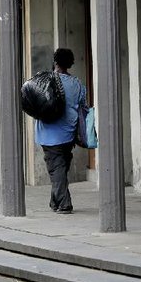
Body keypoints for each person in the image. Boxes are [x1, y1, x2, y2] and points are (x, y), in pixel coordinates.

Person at [35, 48, 87, 214]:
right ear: (70, 63)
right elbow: (83, 107)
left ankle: (64, 204)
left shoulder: (44, 80)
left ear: (55, 62)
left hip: (49, 133)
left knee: (56, 168)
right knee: (61, 167)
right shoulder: (77, 84)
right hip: (69, 132)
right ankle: (54, 202)